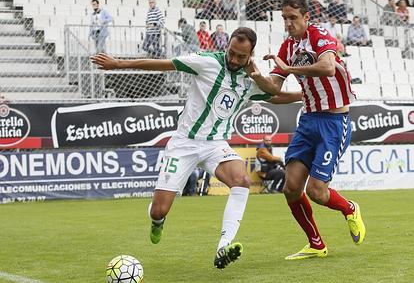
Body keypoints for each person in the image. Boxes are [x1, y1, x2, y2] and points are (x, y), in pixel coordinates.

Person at [91, 27, 296, 269]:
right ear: (227, 46)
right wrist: (120, 65)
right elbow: (164, 64)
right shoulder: (206, 62)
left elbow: (273, 95)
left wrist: (307, 96)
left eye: (241, 56)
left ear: (250, 54)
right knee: (159, 210)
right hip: (184, 143)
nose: (234, 60)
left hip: (215, 144)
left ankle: (224, 246)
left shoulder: (250, 78)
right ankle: (157, 221)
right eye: (231, 52)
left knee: (241, 180)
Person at [247, 0, 366, 260]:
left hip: (334, 123)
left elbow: (327, 68)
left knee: (316, 192)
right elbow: (275, 89)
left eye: (293, 17)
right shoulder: (287, 46)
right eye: (284, 18)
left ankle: (349, 208)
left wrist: (289, 68)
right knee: (290, 187)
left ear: (306, 18)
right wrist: (256, 80)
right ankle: (316, 244)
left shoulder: (319, 35)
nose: (288, 23)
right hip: (309, 121)